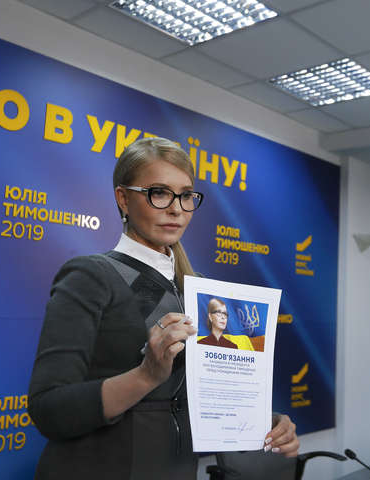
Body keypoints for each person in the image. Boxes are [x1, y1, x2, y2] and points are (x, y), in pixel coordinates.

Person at [28, 137, 299, 479]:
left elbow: (205, 402)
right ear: (123, 198)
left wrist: (263, 423)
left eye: (185, 195)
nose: (176, 209)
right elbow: (48, 409)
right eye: (159, 193)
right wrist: (145, 376)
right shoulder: (90, 276)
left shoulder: (201, 290)